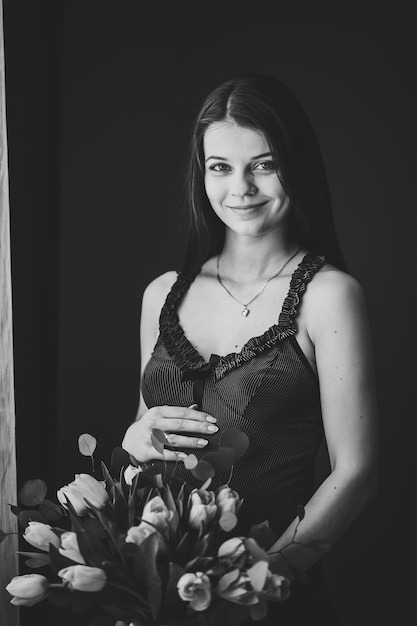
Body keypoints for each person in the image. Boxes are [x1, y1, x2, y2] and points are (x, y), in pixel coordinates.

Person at [121, 73, 378, 624]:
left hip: (270, 596)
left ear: (295, 164)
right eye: (221, 167)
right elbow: (147, 436)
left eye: (263, 164)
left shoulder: (329, 297)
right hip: (160, 590)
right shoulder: (161, 294)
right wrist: (131, 440)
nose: (241, 187)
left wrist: (258, 581)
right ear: (202, 173)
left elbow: (356, 474)